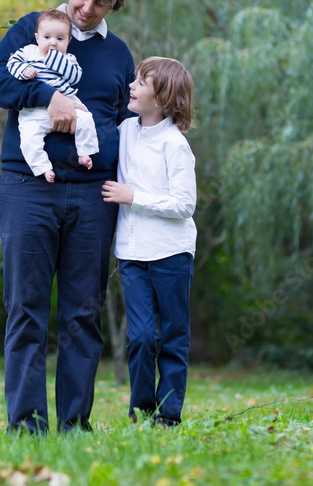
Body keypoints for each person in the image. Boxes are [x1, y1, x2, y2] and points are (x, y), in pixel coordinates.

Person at [0, 0, 135, 434]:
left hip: (92, 196)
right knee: (25, 309)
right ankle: (26, 425)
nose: (86, 8)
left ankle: (74, 426)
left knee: (82, 313)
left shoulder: (119, 54)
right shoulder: (35, 28)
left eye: (99, 3)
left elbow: (128, 124)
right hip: (27, 189)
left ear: (113, 5)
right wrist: (48, 97)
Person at [101, 56, 197, 428]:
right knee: (141, 336)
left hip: (172, 253)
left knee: (173, 335)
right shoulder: (125, 129)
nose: (131, 86)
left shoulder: (175, 145)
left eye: (141, 83)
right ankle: (141, 413)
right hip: (131, 254)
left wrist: (133, 197)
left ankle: (168, 415)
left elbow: (185, 204)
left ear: (162, 98)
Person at [6, 8, 99, 182]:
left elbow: (74, 76)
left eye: (60, 39)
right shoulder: (29, 52)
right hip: (34, 109)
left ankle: (84, 152)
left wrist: (54, 59)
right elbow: (12, 62)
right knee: (29, 138)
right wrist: (24, 70)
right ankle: (43, 167)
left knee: (86, 119)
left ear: (69, 41)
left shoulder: (69, 59)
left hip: (67, 102)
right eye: (47, 37)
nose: (53, 43)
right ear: (37, 38)